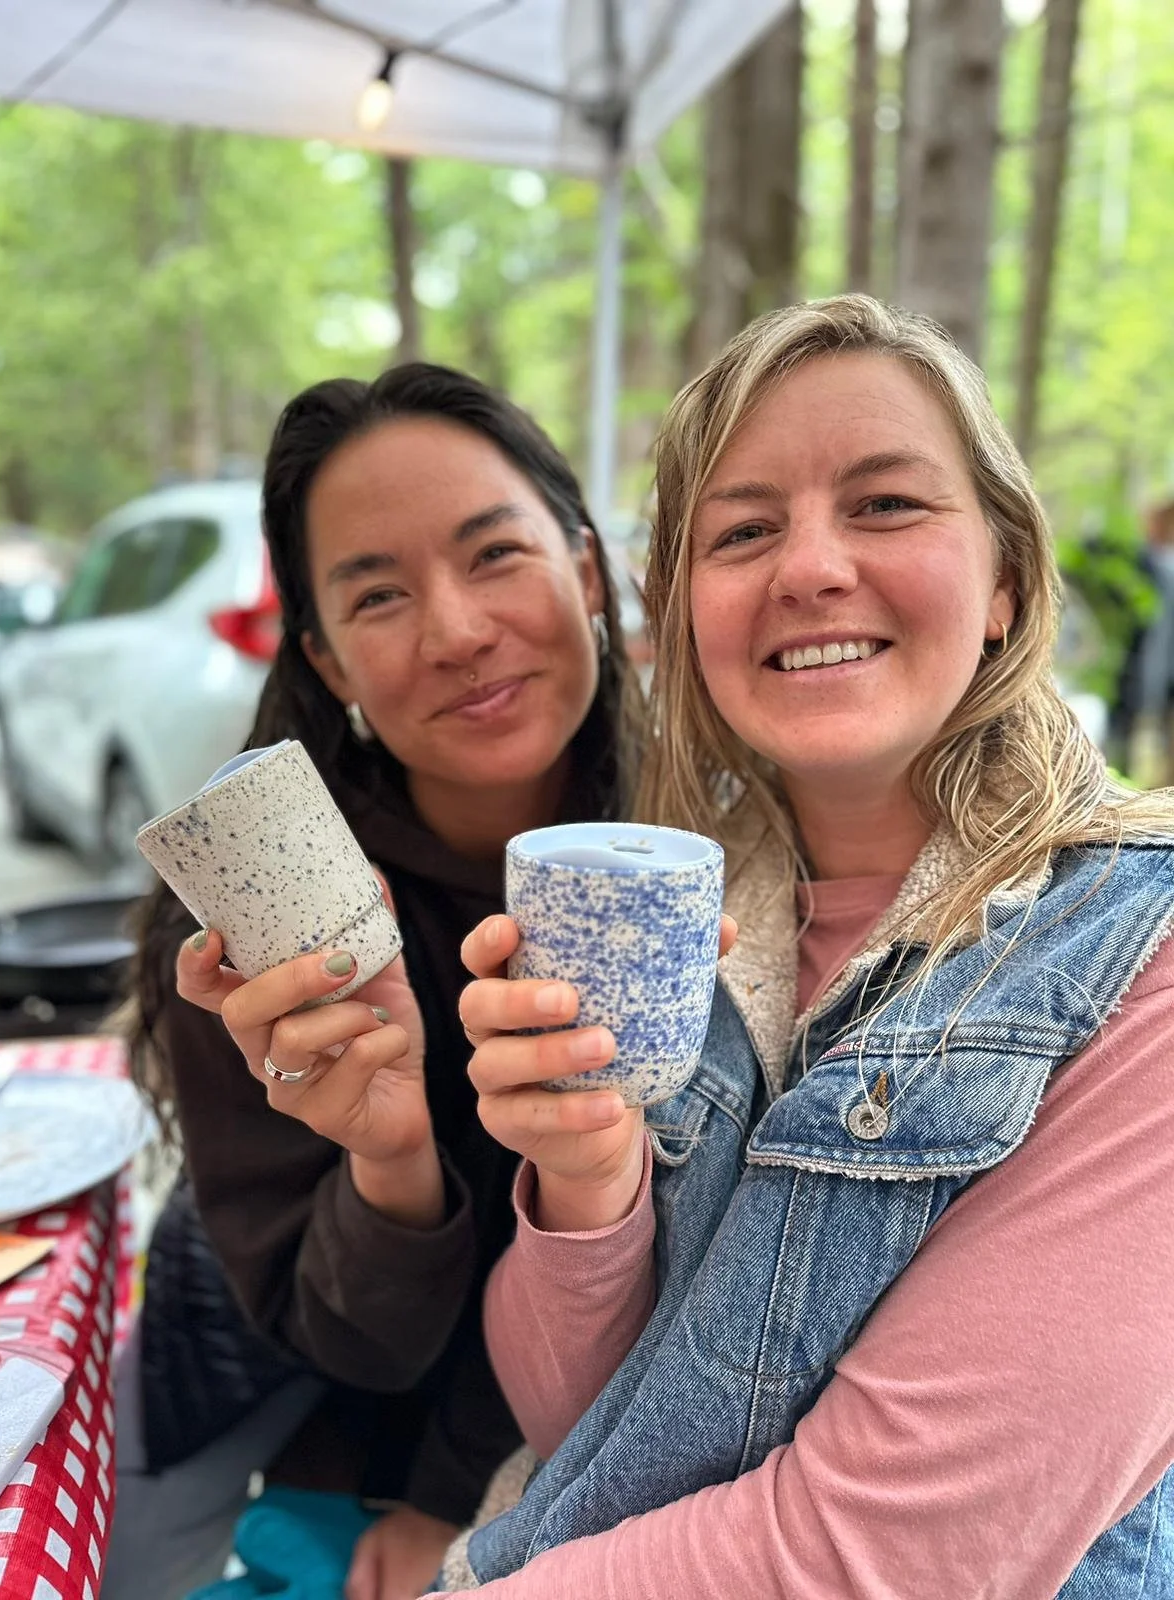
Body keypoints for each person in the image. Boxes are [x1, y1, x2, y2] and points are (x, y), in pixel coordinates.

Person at [447, 295, 1174, 1597]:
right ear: (686, 612)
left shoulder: (1141, 945)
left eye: (886, 504)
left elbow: (882, 1554)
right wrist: (585, 1179)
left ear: (1005, 579)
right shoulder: (690, 916)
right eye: (743, 531)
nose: (810, 568)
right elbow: (583, 1437)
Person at [105, 362, 639, 1600]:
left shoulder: (705, 849)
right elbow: (351, 1344)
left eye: (496, 554)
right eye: (379, 595)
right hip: (287, 1382)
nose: (456, 632)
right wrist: (391, 1165)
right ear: (328, 660)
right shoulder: (265, 920)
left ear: (586, 570)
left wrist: (464, 1486)